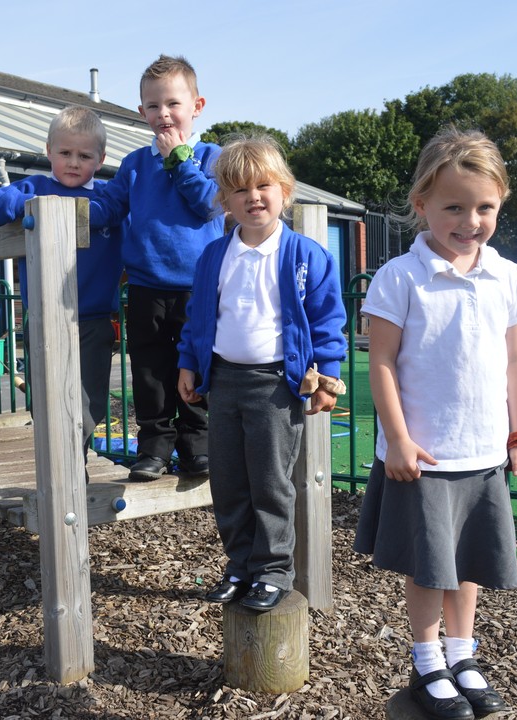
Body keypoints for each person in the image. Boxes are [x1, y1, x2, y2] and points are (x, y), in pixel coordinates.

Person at [353, 126, 517, 720]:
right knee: (431, 565)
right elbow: (380, 362)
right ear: (422, 206)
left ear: (500, 205)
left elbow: (516, 361)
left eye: (485, 207)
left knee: (469, 562)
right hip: (426, 456)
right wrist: (399, 440)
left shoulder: (509, 277)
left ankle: (463, 655)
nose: (470, 220)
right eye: (453, 207)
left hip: (483, 451)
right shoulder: (400, 277)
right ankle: (427, 659)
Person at [177, 135, 347, 612]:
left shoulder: (304, 256)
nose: (253, 197)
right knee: (229, 480)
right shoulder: (215, 256)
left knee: (271, 482)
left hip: (275, 386)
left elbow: (328, 319)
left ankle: (273, 569)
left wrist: (328, 376)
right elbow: (199, 318)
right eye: (239, 190)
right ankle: (240, 565)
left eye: (263, 185)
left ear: (284, 190)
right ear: (224, 201)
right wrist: (189, 363)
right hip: (224, 382)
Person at [87, 54, 225, 482]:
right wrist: (61, 203)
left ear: (196, 106)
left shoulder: (211, 156)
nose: (163, 114)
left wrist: (180, 159)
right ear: (141, 111)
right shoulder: (133, 164)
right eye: (152, 106)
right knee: (149, 370)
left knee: (198, 366)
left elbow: (207, 205)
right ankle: (154, 448)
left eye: (172, 104)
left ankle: (197, 447)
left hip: (198, 287)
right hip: (146, 285)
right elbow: (107, 209)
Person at [0, 105, 124, 476]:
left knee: (89, 402)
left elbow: (116, 216)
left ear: (100, 159)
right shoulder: (34, 187)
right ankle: (60, 469)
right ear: (48, 151)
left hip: (92, 318)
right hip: (42, 317)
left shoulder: (109, 197)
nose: (74, 163)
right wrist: (20, 203)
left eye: (85, 156)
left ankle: (73, 464)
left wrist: (72, 209)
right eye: (65, 153)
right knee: (45, 399)